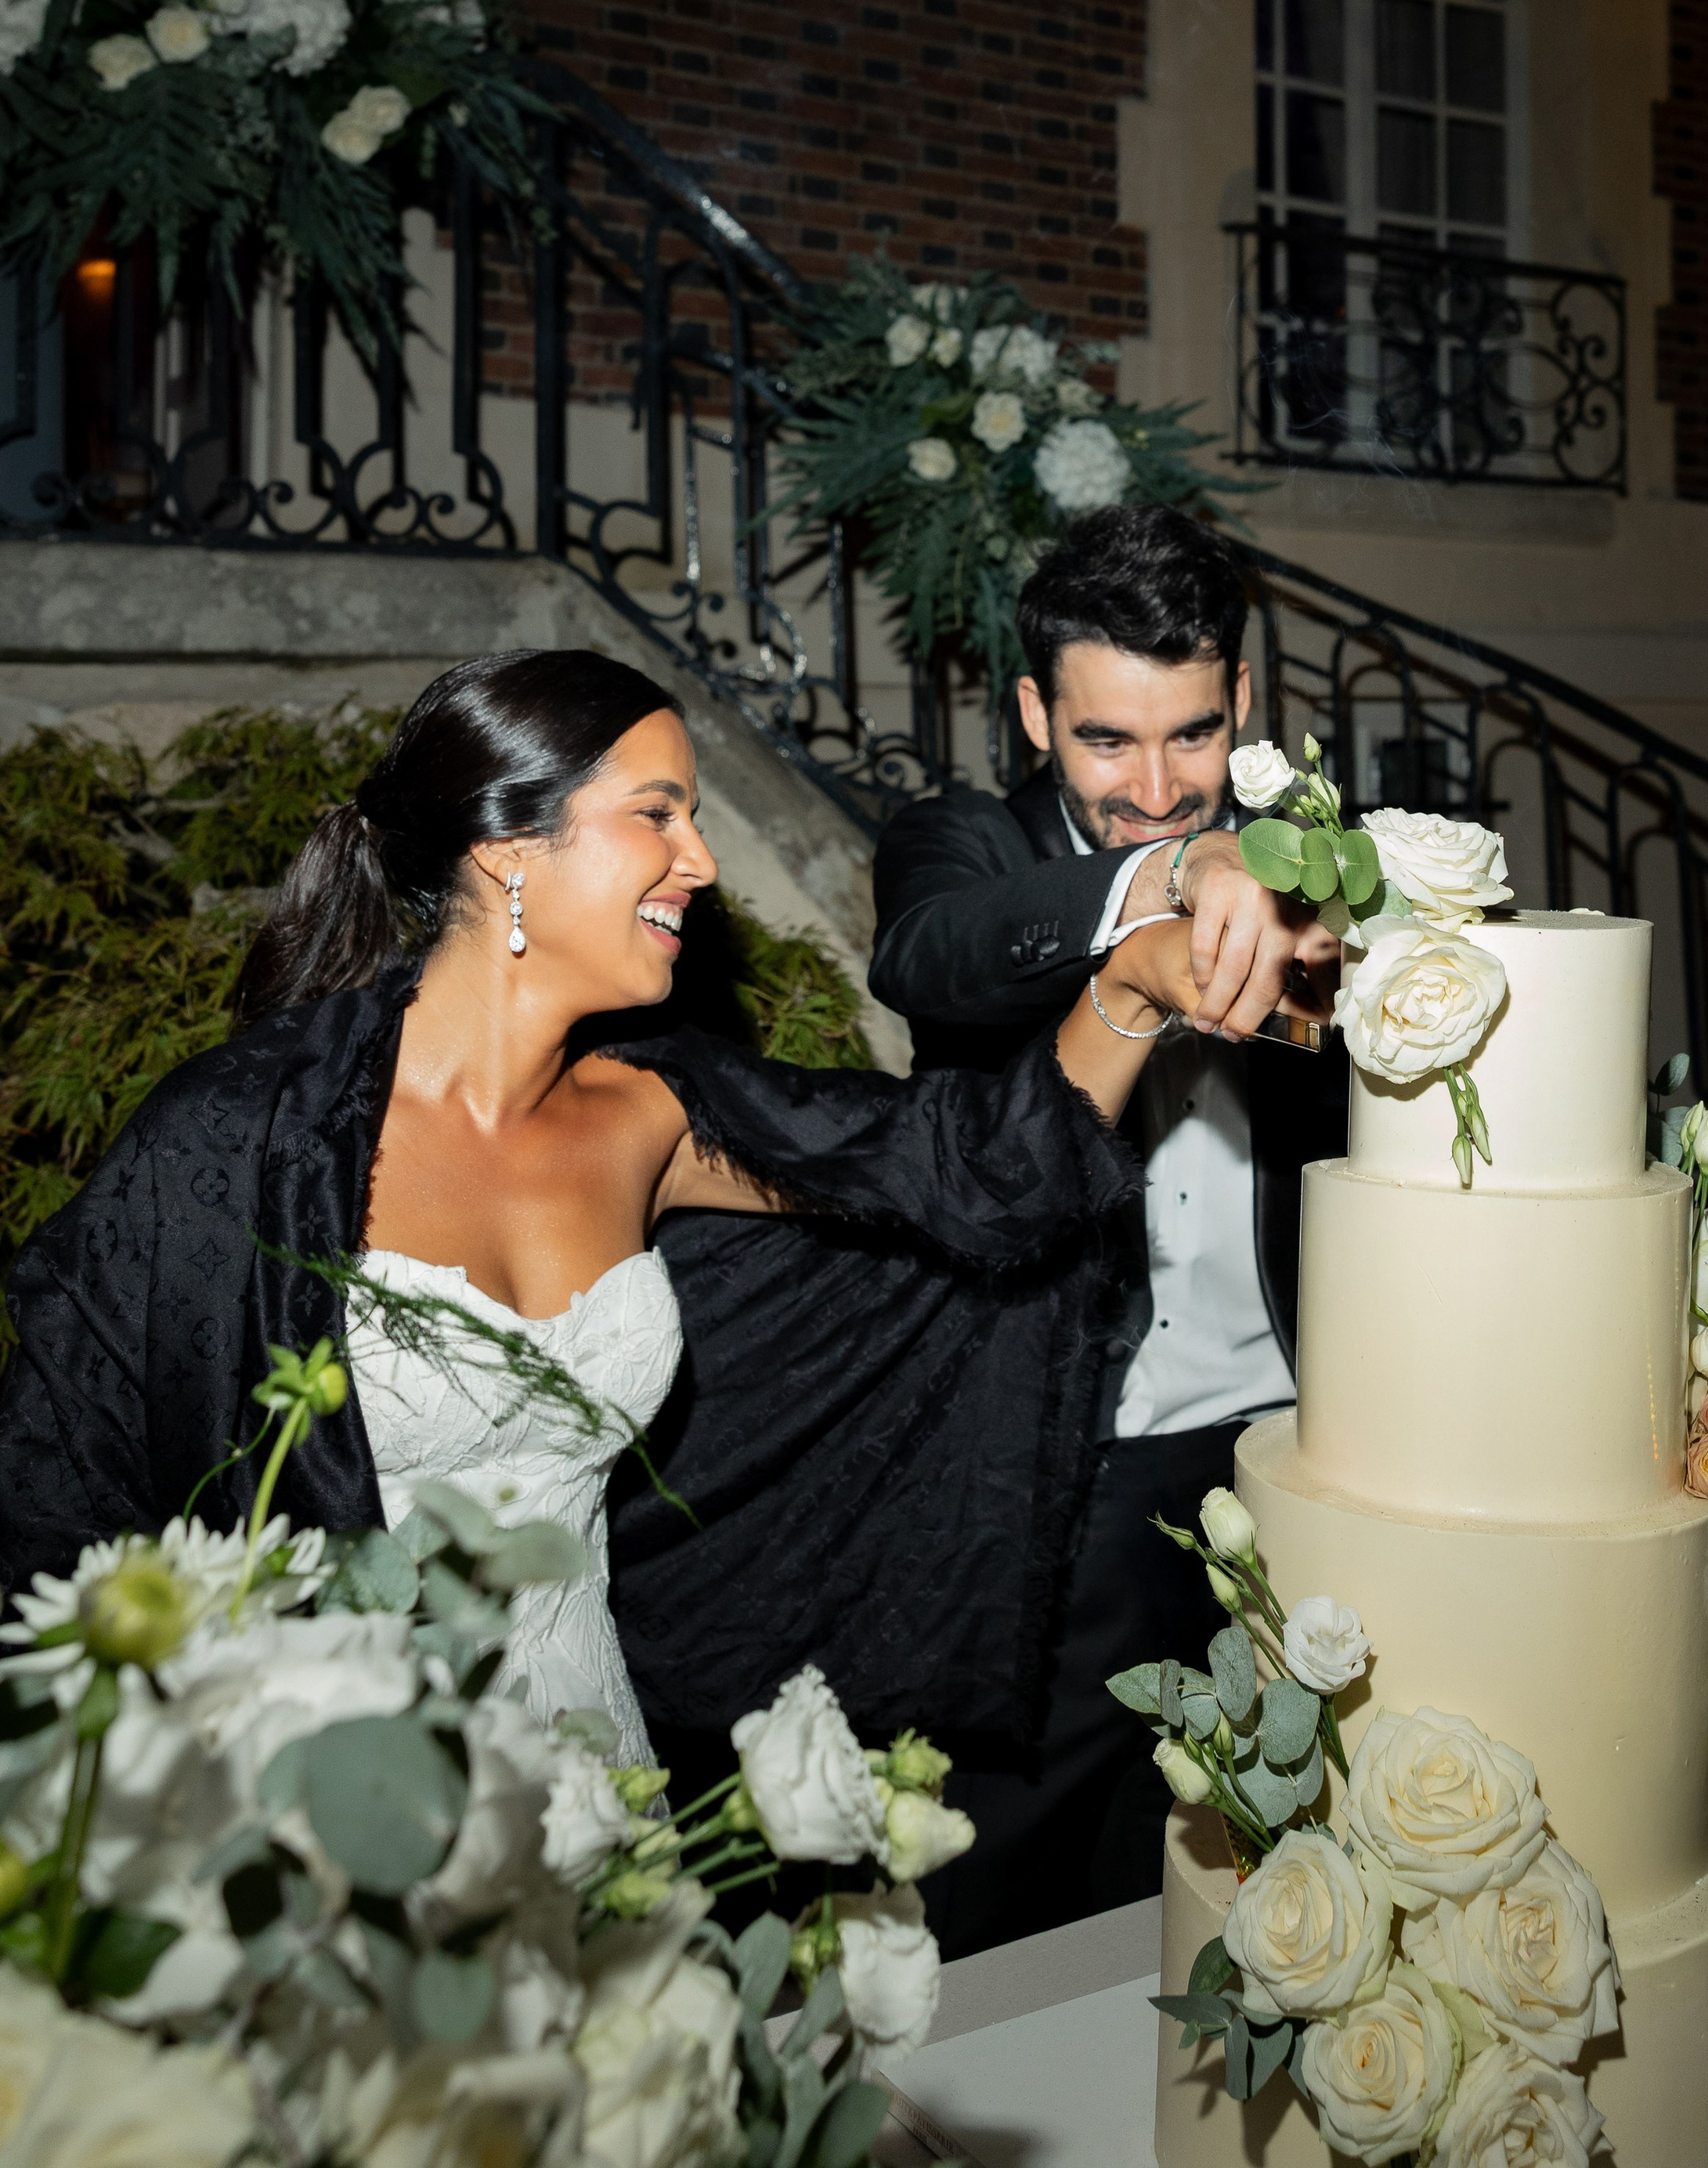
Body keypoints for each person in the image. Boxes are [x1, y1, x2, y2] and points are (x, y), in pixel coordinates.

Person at [0, 649, 1211, 1772]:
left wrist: (1139, 978)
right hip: (328, 1794)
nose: (702, 861)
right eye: (657, 814)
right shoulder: (240, 1139)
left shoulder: (656, 1113)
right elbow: (61, 1497)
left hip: (596, 1769)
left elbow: (974, 1168)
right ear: (508, 849)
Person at [868, 504, 1348, 1949]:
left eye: (1192, 735)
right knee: (1003, 1889)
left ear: (1242, 700)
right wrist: (1170, 881)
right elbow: (929, 958)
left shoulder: (1320, 858)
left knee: (1252, 1884)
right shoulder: (966, 843)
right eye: (1105, 742)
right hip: (1070, 1463)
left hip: (1289, 1453)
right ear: (1035, 715)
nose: (1154, 787)